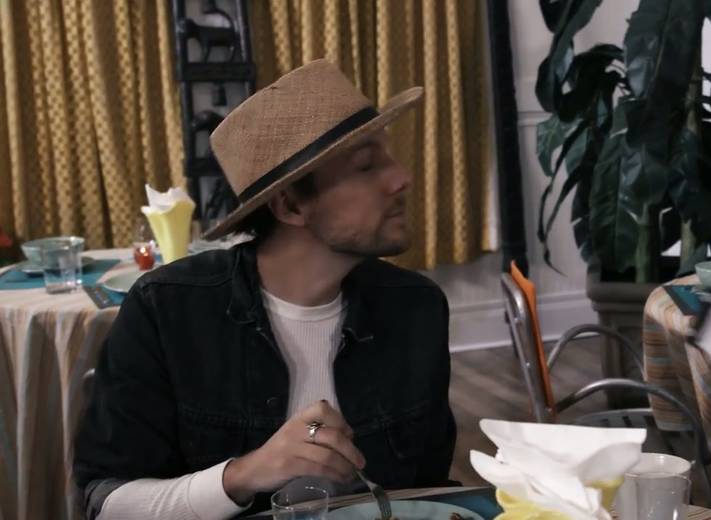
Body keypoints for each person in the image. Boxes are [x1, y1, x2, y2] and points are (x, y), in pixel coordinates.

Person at [74, 60, 457, 519]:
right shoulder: (167, 310)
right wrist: (244, 474)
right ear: (291, 205)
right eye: (365, 166)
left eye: (388, 157)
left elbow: (430, 493)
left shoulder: (416, 308)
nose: (401, 178)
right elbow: (106, 503)